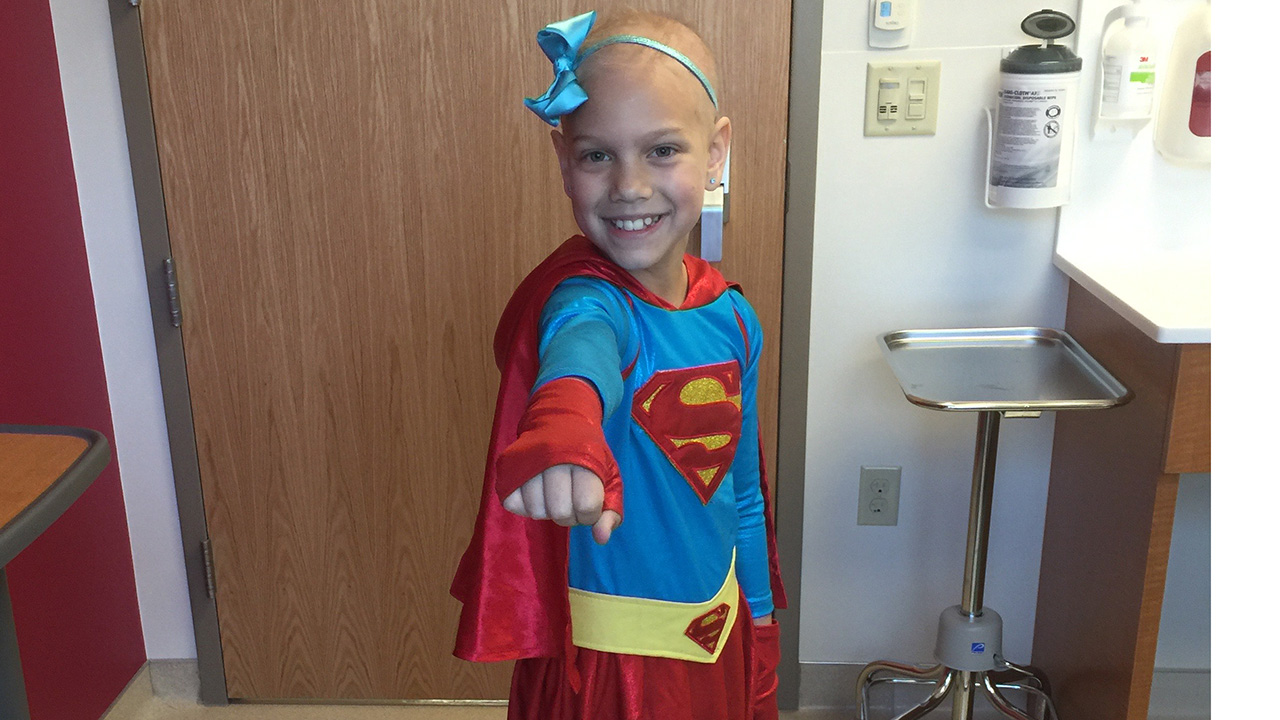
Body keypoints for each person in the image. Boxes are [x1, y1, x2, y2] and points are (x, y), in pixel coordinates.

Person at [450, 9, 786, 720]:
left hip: (717, 634)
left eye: (663, 150)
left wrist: (758, 621)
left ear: (717, 151)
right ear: (562, 158)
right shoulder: (587, 302)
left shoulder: (732, 317)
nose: (629, 185)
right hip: (612, 669)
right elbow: (578, 360)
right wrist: (565, 429)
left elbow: (742, 494)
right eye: (597, 155)